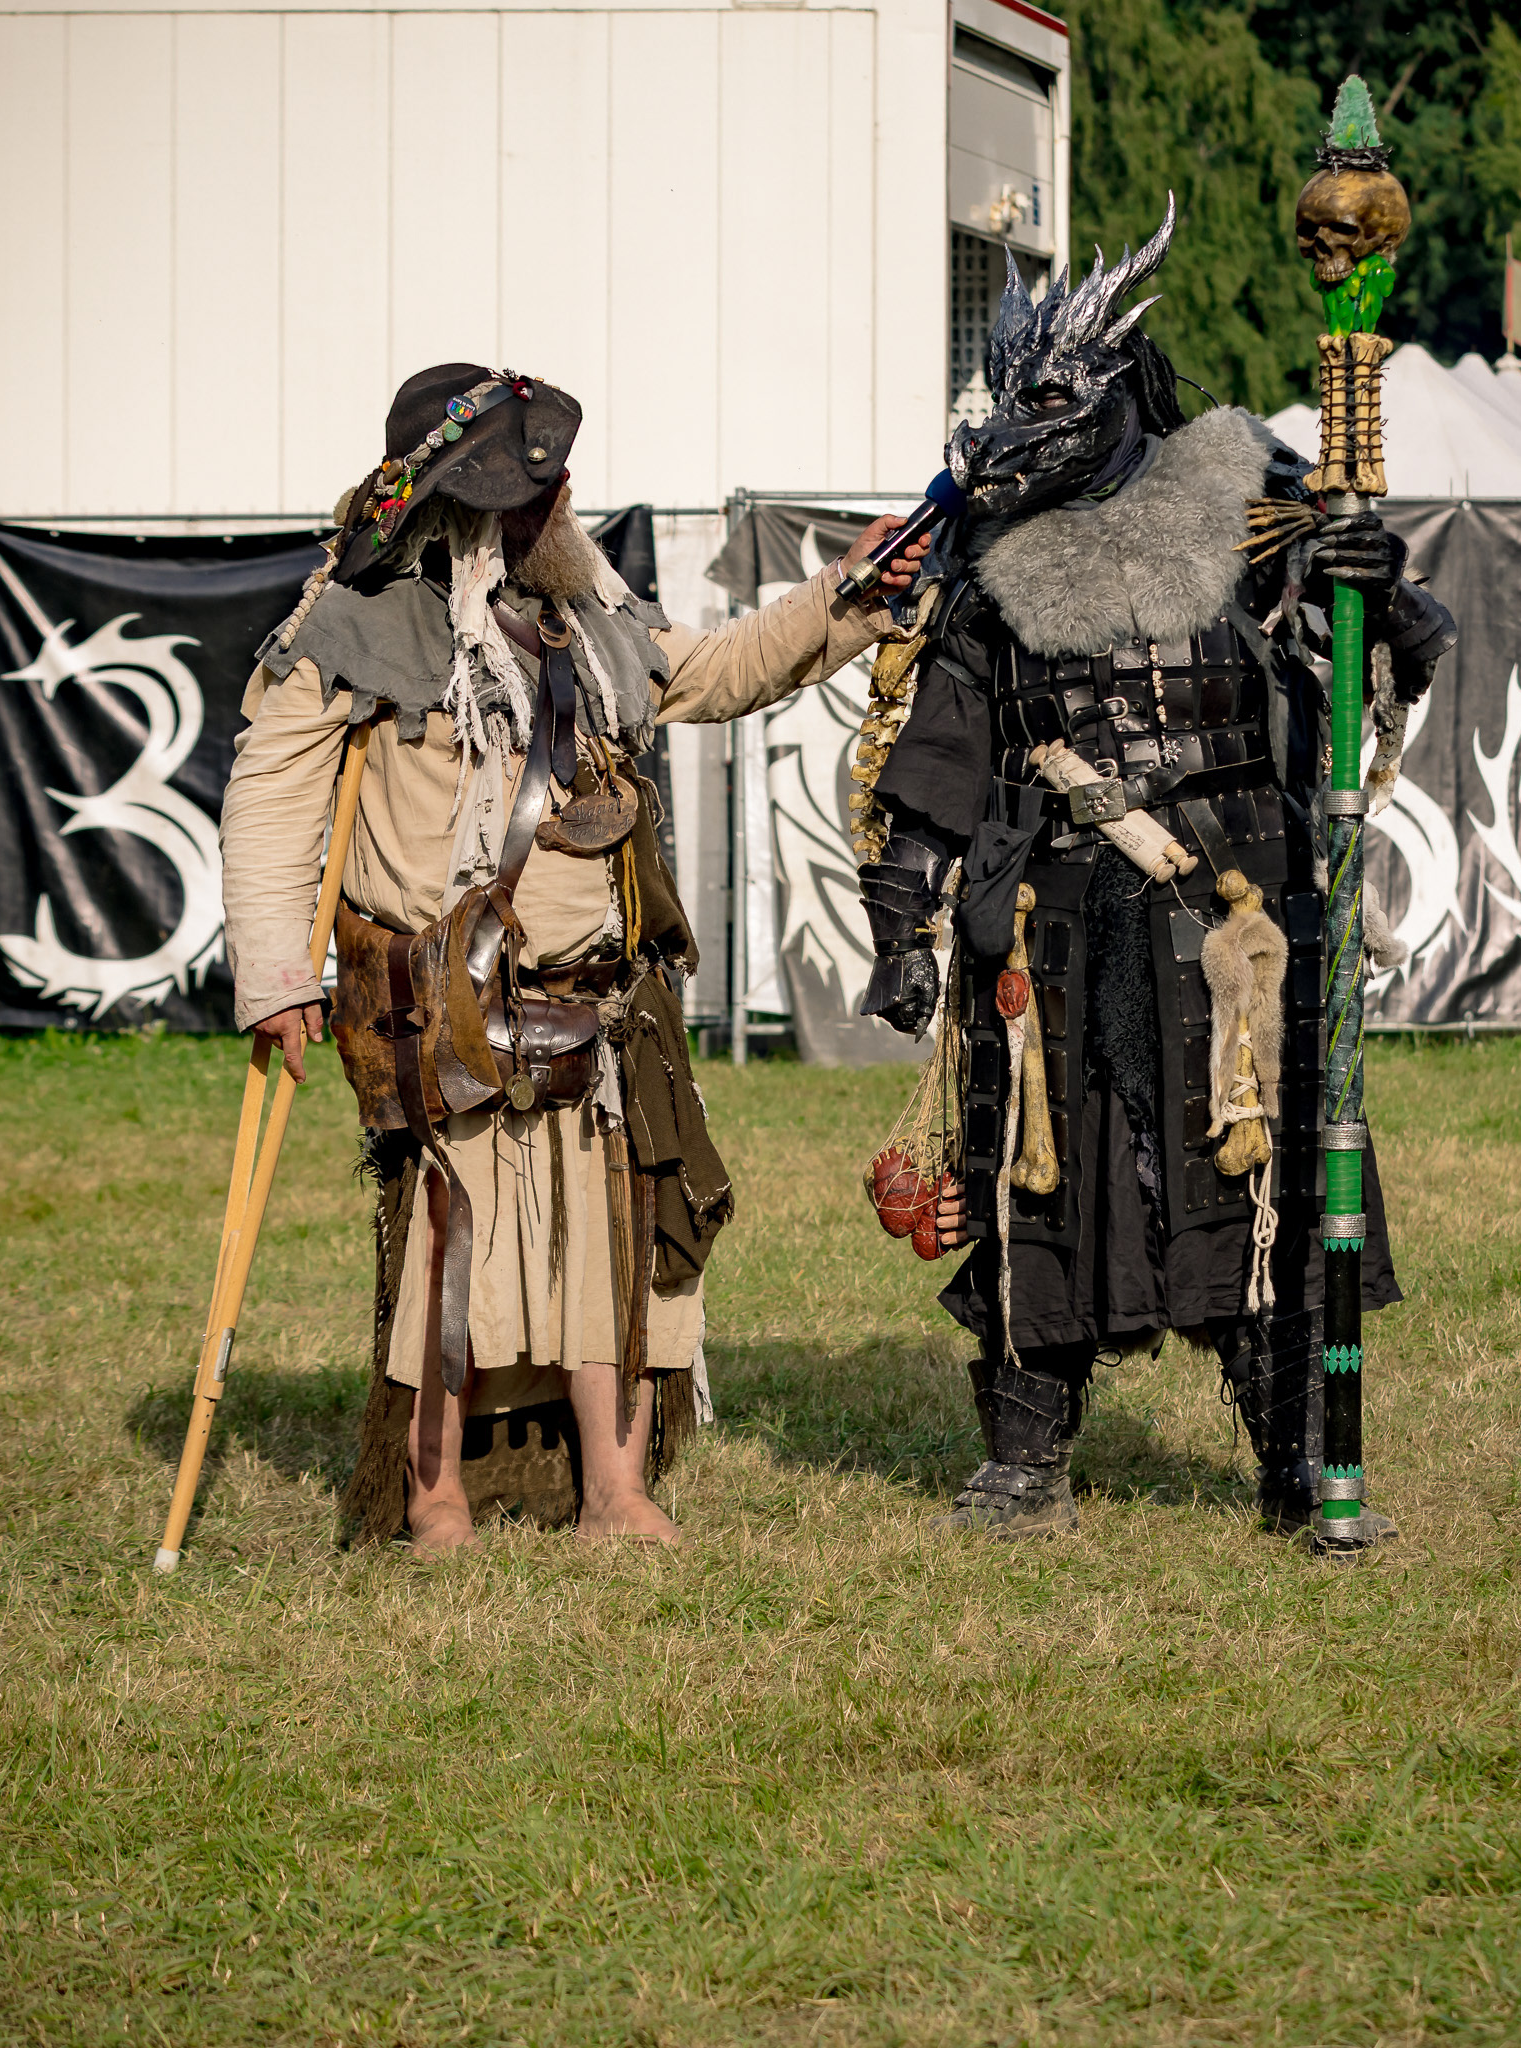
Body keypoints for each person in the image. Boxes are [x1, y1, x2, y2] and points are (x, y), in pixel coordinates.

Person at [221, 362, 924, 1552]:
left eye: (552, 484)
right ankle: (435, 1496)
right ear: (457, 506)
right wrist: (278, 976)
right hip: (443, 1007)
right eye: (526, 491)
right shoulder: (350, 625)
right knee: (447, 1248)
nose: (556, 504)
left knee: (612, 1243)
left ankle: (615, 1489)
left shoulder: (591, 615)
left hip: (597, 1008)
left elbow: (715, 669)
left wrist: (845, 594)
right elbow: (274, 792)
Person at [855, 202, 1455, 1539]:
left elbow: (1394, 645)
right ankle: (1024, 1464)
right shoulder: (987, 559)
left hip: (1235, 904)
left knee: (1254, 1177)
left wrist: (1377, 582)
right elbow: (941, 746)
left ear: (1117, 384)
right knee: (1042, 1170)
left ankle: (1298, 1463)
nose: (1024, 424)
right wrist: (900, 928)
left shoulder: (1250, 498)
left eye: (1051, 395)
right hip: (1054, 909)